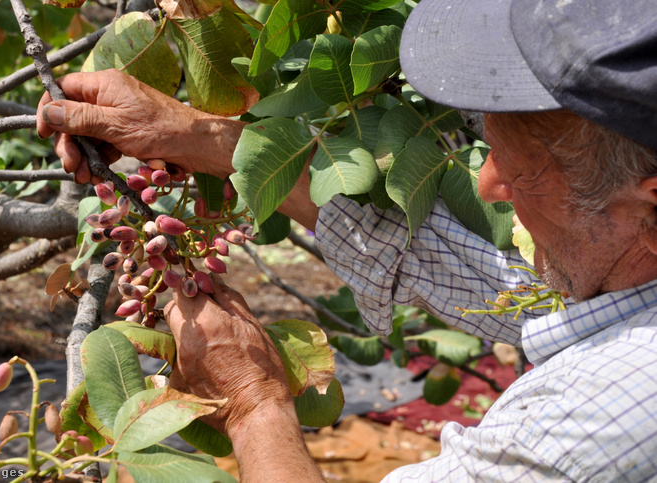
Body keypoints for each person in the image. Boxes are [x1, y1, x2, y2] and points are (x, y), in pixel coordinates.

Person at [37, 0, 657, 480]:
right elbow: (493, 284)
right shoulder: (624, 276)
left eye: (522, 170)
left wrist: (254, 406)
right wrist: (201, 136)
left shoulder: (591, 422)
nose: (488, 184)